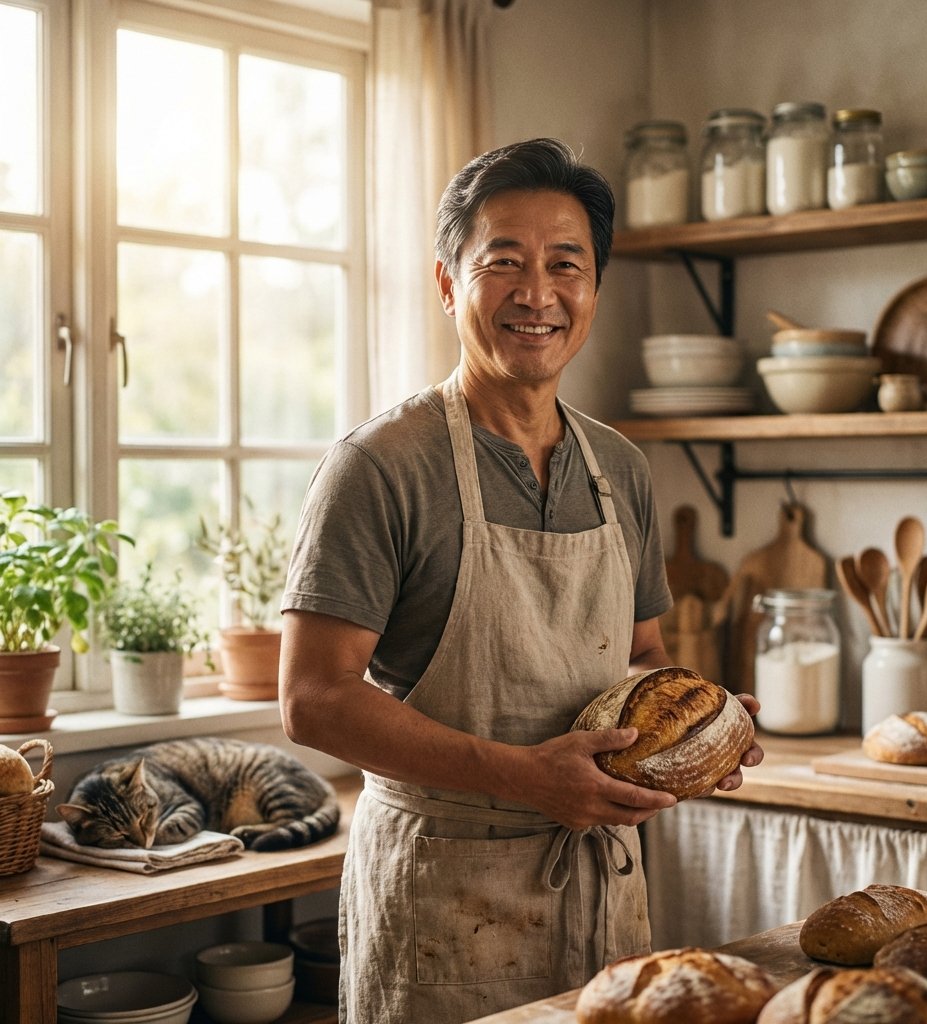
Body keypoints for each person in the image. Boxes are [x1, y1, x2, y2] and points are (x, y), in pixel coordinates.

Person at [279, 137, 763, 1024]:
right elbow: (313, 699)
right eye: (503, 262)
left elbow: (644, 653)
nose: (536, 293)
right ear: (447, 283)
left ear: (593, 291)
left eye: (564, 265)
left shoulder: (619, 465)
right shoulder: (380, 466)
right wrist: (523, 775)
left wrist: (698, 730)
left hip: (603, 892)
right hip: (441, 900)